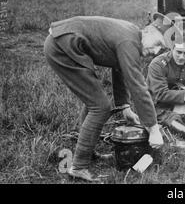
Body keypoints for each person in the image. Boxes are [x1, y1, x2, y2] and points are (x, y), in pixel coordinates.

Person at [44, 16, 165, 182]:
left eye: (161, 48)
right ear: (147, 32)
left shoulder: (132, 35)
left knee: (95, 102)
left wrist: (124, 107)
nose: (156, 52)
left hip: (63, 42)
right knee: (100, 106)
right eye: (157, 43)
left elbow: (119, 69)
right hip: (62, 47)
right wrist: (153, 128)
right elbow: (138, 87)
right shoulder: (129, 42)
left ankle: (88, 152)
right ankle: (78, 166)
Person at [146, 31, 185, 142]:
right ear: (172, 48)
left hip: (180, 102)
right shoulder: (158, 64)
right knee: (166, 116)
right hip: (157, 103)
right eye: (178, 52)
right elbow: (160, 94)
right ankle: (184, 128)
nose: (181, 57)